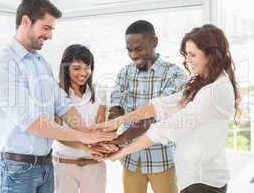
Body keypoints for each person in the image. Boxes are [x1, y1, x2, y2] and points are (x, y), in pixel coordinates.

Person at [0, 0, 116, 193]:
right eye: (46, 28)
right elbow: (32, 121)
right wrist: (83, 137)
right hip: (18, 170)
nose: (50, 36)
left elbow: (62, 105)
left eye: (52, 29)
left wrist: (88, 134)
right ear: (26, 21)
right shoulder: (2, 63)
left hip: (45, 165)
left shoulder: (41, 63)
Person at [101, 24, 240, 193]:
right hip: (191, 178)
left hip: (200, 181)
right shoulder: (204, 82)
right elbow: (163, 104)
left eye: (192, 54)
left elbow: (166, 127)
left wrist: (119, 150)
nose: (187, 60)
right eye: (187, 54)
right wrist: (116, 122)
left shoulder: (214, 90)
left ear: (211, 54)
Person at [99, 20, 186, 193]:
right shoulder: (125, 72)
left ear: (154, 42)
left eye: (138, 49)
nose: (132, 55)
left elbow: (152, 117)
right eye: (129, 50)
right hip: (132, 161)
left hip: (162, 160)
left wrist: (119, 140)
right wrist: (107, 136)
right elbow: (116, 107)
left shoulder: (174, 74)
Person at [52, 44, 118, 193]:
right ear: (66, 68)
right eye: (76, 68)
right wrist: (87, 147)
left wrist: (107, 147)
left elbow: (101, 128)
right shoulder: (57, 93)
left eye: (87, 67)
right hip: (64, 166)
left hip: (94, 165)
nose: (83, 73)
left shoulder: (99, 90)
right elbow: (57, 134)